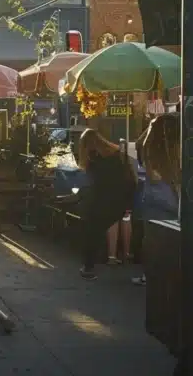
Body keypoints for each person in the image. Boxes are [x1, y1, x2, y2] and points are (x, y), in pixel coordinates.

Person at [75, 129, 137, 280]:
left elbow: (95, 184)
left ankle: (89, 266)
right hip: (120, 201)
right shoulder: (117, 155)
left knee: (91, 231)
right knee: (97, 228)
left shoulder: (94, 159)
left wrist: (82, 195)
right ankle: (124, 253)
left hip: (104, 201)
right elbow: (129, 179)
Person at [133, 113, 181, 286]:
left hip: (155, 199)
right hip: (174, 199)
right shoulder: (179, 147)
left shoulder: (149, 147)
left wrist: (152, 126)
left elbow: (139, 144)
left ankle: (151, 276)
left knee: (153, 241)